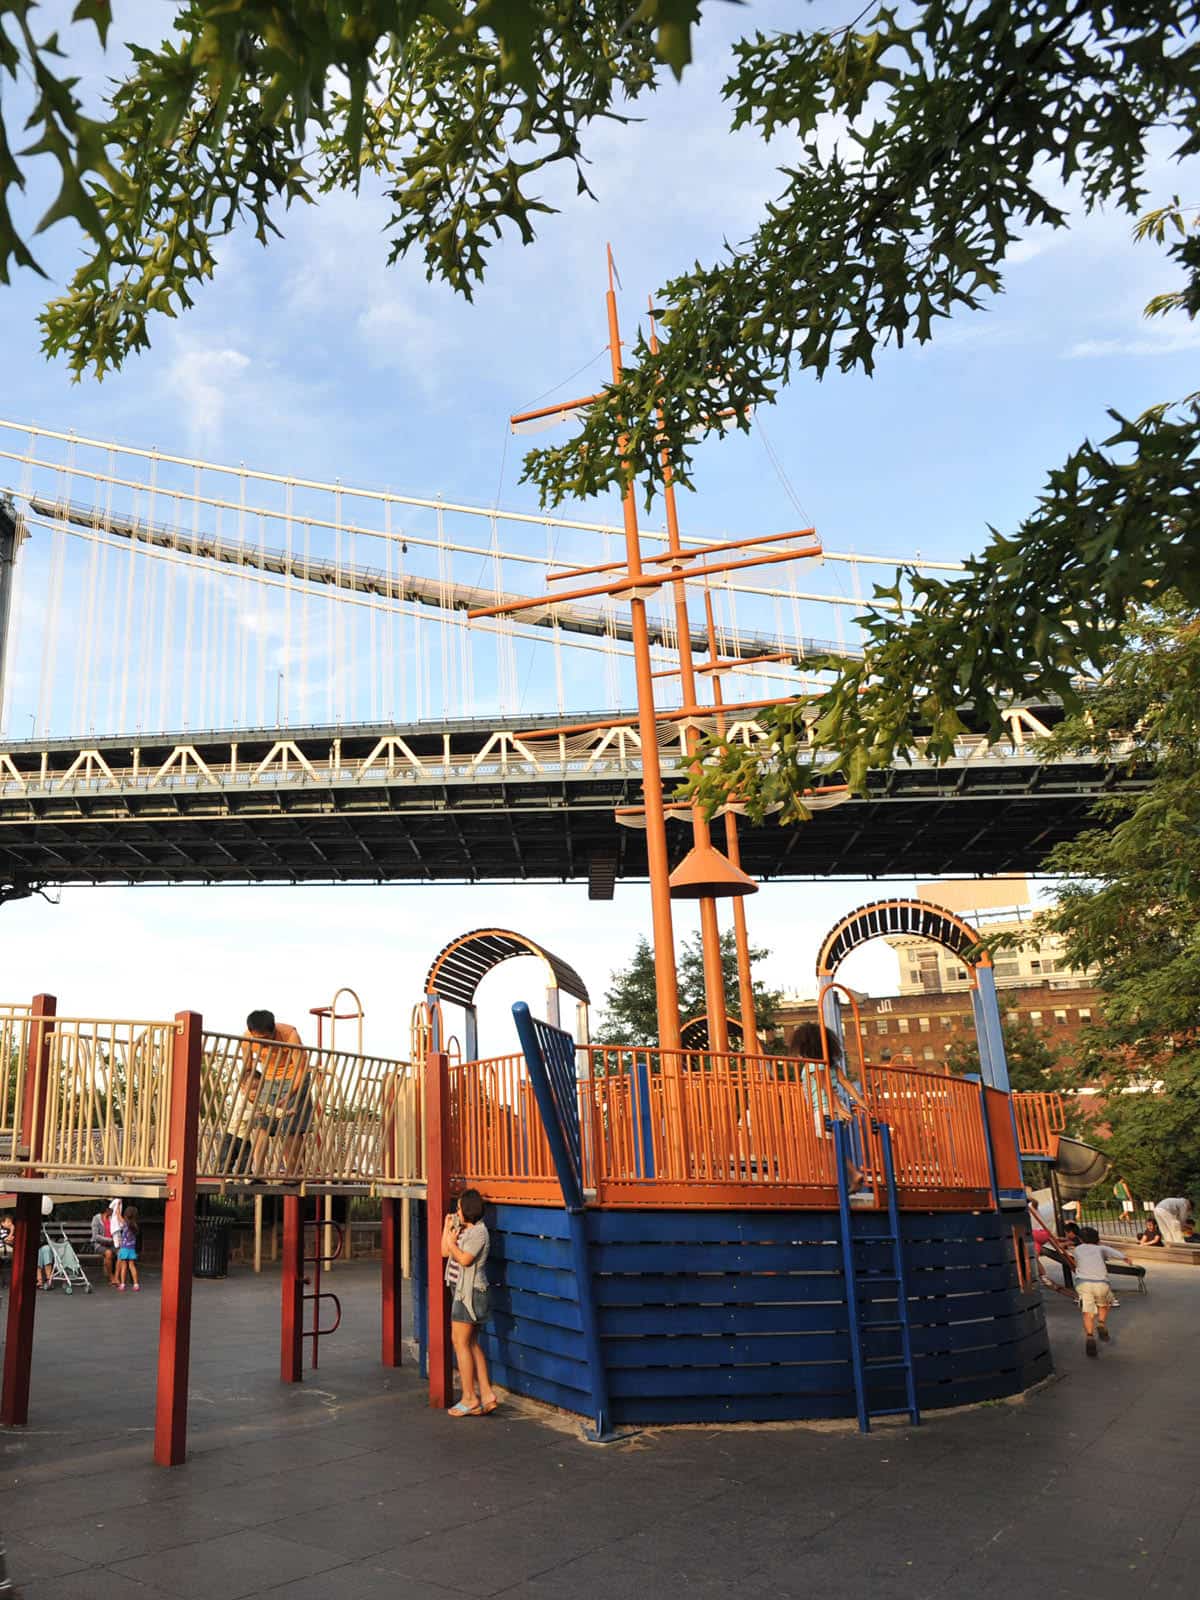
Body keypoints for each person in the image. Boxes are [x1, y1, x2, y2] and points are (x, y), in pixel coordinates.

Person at [790, 1022, 869, 1195]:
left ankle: (840, 1178)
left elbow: (826, 1085)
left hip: (825, 1109)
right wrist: (860, 1100)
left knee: (826, 1147)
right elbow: (845, 1082)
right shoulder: (830, 1064)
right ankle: (847, 1176)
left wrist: (838, 1108)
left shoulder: (813, 1065)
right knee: (832, 1146)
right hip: (833, 1108)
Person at [441, 1188, 498, 1417]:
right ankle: (486, 1395)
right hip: (461, 1291)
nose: (456, 1211)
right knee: (472, 1343)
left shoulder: (479, 1233)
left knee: (459, 1342)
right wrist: (447, 1229)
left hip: (470, 1294)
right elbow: (444, 1252)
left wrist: (454, 1243)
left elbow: (464, 1260)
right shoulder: (463, 1229)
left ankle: (469, 1397)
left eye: (458, 1208)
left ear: (466, 1210)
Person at [243, 1010, 312, 1173]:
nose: (263, 1044)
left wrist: (289, 1095)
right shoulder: (247, 1038)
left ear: (274, 1031)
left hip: (294, 1077)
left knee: (290, 1127)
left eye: (267, 1039)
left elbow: (301, 1070)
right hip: (269, 1078)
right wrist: (245, 1088)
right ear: (252, 1034)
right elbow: (248, 1066)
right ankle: (257, 1172)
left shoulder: (289, 1035)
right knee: (263, 1124)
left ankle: (293, 1172)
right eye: (259, 1040)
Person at [1067, 1224, 1130, 1357]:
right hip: (1101, 1283)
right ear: (1097, 1240)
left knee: (1087, 1312)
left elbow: (1076, 1257)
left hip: (1083, 1284)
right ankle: (1101, 1323)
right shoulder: (1101, 1248)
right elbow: (1115, 1253)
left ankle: (1090, 1336)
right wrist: (1125, 1258)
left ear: (1081, 1239)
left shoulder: (1077, 1250)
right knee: (1104, 1303)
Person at [219, 1065, 262, 1177]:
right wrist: (253, 1114)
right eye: (252, 1088)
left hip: (245, 1137)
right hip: (232, 1134)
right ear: (243, 1088)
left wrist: (283, 1112)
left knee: (247, 1156)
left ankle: (244, 1173)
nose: (255, 1092)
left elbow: (268, 1109)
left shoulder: (258, 1103)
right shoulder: (240, 1100)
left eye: (258, 1088)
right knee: (228, 1156)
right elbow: (240, 1114)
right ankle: (225, 1174)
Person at [115, 1205, 141, 1291]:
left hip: (124, 1248)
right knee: (132, 1266)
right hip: (132, 1248)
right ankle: (136, 1284)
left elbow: (118, 1215)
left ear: (126, 1214)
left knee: (124, 1266)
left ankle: (122, 1284)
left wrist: (118, 1205)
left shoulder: (125, 1223)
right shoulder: (135, 1225)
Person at [90, 1208, 117, 1284]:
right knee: (108, 1253)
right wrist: (109, 1240)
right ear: (106, 1210)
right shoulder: (96, 1219)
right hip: (99, 1245)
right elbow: (95, 1236)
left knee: (121, 1253)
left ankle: (117, 1276)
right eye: (112, 1209)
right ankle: (111, 1276)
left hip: (112, 1244)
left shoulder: (113, 1218)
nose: (113, 1211)